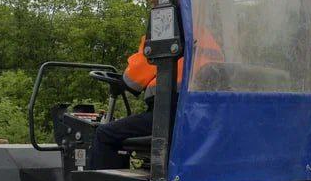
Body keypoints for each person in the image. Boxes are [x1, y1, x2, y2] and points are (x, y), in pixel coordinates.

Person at [87, 16, 224, 170]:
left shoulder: (166, 27)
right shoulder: (202, 33)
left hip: (171, 114)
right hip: (204, 114)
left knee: (104, 134)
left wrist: (123, 80)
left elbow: (132, 79)